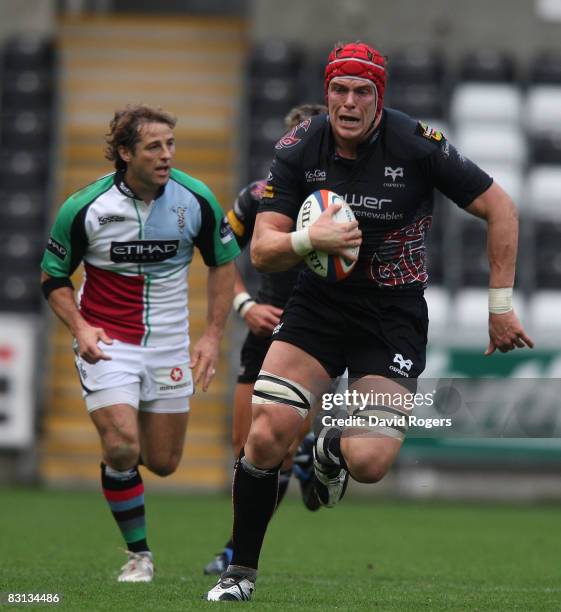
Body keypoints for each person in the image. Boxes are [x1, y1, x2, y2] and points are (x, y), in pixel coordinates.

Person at [205, 41, 535, 602]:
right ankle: (241, 572)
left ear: (379, 98)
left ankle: (332, 449)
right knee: (265, 433)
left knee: (371, 461)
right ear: (326, 93)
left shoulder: (416, 143)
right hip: (318, 311)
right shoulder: (298, 147)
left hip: (391, 317)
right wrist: (313, 238)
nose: (349, 102)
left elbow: (500, 207)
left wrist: (500, 306)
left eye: (362, 91)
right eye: (339, 89)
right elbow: (261, 249)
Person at [40, 104, 239, 583]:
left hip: (170, 346)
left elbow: (223, 263)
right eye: (154, 146)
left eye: (171, 144)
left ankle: (120, 471)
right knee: (124, 445)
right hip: (108, 342)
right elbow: (52, 278)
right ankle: (139, 556)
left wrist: (212, 336)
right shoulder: (85, 207)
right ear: (125, 153)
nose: (166, 155)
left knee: (166, 463)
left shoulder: (196, 199)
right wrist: (81, 328)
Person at [203, 103, 328, 576]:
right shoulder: (259, 195)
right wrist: (244, 306)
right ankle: (303, 456)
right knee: (246, 446)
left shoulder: (341, 202)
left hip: (310, 332)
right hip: (263, 326)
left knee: (276, 439)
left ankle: (237, 550)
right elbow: (221, 254)